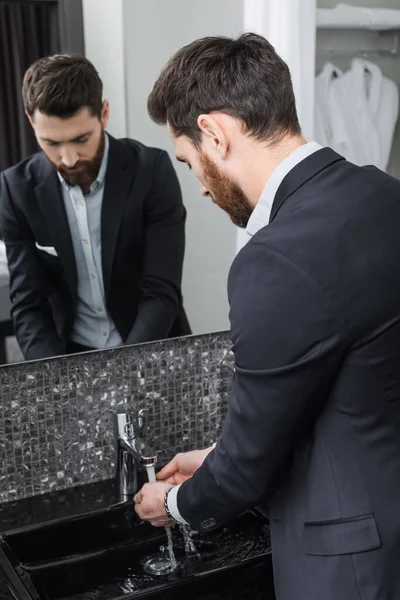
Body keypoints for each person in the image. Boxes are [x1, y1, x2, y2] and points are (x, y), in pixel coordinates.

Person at [133, 33, 400, 600]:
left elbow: (248, 468)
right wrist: (215, 455)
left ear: (214, 133)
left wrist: (175, 502)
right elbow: (350, 390)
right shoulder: (385, 194)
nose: (200, 185)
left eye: (189, 162)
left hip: (347, 567)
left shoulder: (273, 259)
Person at [0, 54, 190, 361]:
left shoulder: (151, 171)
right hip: (69, 358)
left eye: (80, 139)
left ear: (103, 113)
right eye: (51, 143)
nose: (68, 158)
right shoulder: (15, 189)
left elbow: (161, 291)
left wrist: (123, 372)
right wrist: (53, 379)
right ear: (30, 121)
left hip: (152, 353)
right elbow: (28, 305)